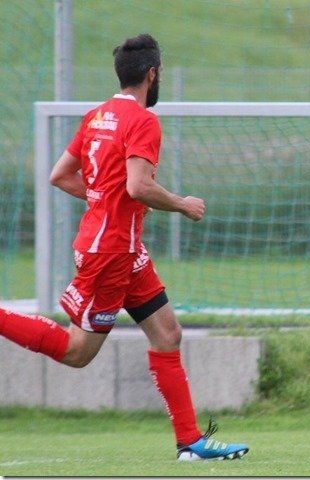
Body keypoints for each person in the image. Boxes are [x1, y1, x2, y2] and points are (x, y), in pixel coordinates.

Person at [0, 34, 248, 462]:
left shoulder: (97, 116)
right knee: (77, 352)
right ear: (152, 75)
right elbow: (138, 186)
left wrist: (103, 199)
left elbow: (60, 175)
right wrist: (183, 205)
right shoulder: (143, 121)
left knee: (167, 334)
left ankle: (190, 443)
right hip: (111, 252)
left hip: (124, 249)